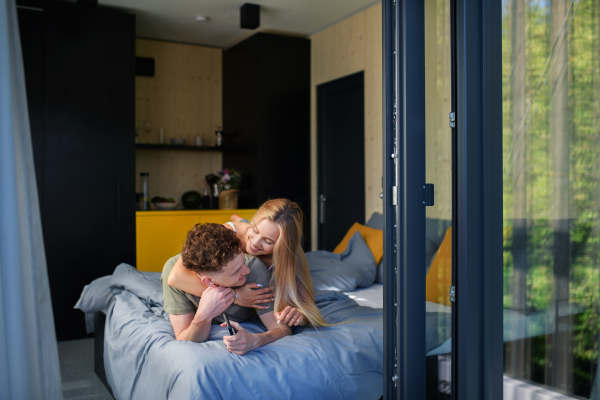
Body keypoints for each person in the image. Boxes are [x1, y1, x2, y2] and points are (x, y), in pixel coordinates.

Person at [167, 198, 330, 327]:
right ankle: (241, 221)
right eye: (256, 230)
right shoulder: (227, 233)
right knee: (242, 229)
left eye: (267, 240)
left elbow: (309, 309)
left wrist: (300, 317)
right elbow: (175, 277)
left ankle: (245, 222)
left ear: (283, 246)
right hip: (239, 230)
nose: (255, 243)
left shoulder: (291, 256)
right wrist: (235, 296)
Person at [161, 223, 291, 355]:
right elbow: (185, 339)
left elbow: (282, 329)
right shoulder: (172, 274)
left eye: (242, 261)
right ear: (208, 281)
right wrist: (204, 316)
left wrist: (255, 340)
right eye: (236, 272)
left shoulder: (253, 267)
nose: (245, 271)